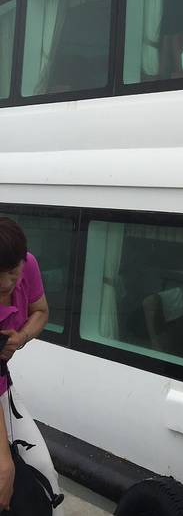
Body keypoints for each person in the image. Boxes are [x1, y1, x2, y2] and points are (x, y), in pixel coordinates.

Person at [0, 217, 64, 513]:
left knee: (43, 470)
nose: (6, 283)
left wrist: (21, 336)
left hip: (4, 388)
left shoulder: (30, 265)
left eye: (13, 272)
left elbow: (40, 310)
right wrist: (5, 462)